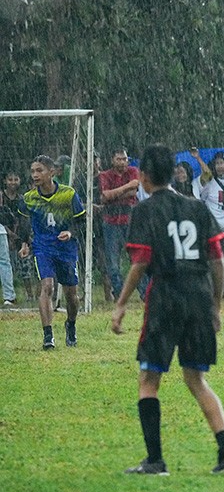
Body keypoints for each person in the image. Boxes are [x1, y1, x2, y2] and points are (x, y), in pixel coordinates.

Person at [111, 143, 224, 476]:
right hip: (198, 296)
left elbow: (140, 263)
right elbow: (217, 259)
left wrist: (121, 304)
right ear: (174, 173)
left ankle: (155, 460)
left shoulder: (144, 211)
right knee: (196, 379)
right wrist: (214, 304)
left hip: (166, 297)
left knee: (149, 378)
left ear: (142, 176)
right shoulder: (197, 207)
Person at [17, 155, 85, 349]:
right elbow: (24, 224)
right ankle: (48, 336)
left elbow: (81, 222)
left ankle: (70, 325)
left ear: (52, 172)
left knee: (71, 294)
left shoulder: (68, 194)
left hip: (65, 249)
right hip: (43, 247)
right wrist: (24, 244)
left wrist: (70, 232)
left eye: (40, 171)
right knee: (47, 287)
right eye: (32, 171)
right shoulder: (29, 198)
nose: (35, 175)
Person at [193, 148, 224, 299]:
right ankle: (210, 290)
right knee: (211, 259)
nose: (219, 166)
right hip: (212, 228)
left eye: (222, 163)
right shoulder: (209, 182)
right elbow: (204, 184)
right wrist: (198, 158)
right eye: (217, 163)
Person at [99, 148, 145, 300]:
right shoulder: (105, 175)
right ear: (112, 160)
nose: (122, 162)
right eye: (119, 159)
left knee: (137, 258)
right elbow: (105, 196)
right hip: (111, 222)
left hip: (130, 220)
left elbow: (134, 191)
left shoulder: (133, 171)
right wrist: (126, 187)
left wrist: (114, 194)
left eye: (124, 159)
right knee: (112, 262)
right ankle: (120, 293)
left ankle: (145, 292)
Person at [2, 171, 35, 302]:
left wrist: (19, 236)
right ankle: (9, 294)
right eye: (10, 179)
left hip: (20, 234)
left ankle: (31, 295)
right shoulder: (2, 197)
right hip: (4, 231)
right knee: (6, 262)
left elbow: (23, 218)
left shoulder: (22, 199)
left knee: (25, 262)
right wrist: (9, 233)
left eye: (16, 179)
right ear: (5, 181)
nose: (13, 182)